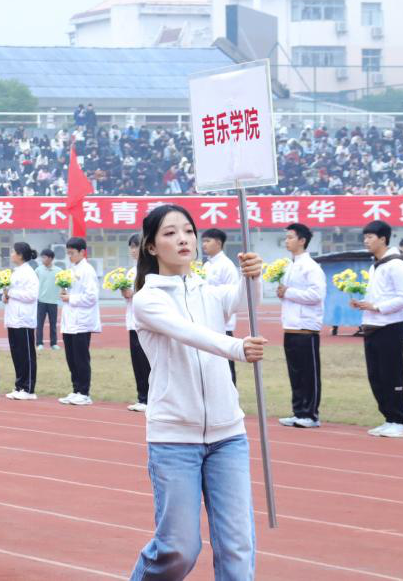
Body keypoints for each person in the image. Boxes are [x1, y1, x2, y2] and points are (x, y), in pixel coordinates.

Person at [129, 204, 264, 580]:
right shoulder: (148, 299)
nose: (183, 239)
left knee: (237, 546)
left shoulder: (209, 291)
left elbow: (245, 302)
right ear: (152, 246)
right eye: (170, 233)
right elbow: (189, 333)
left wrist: (252, 276)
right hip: (175, 438)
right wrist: (236, 347)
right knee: (178, 548)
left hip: (228, 435)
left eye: (188, 231)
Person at [349, 220, 403, 438]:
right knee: (377, 376)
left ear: (383, 239)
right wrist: (363, 304)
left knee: (391, 375)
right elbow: (380, 295)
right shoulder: (376, 265)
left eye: (370, 237)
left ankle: (400, 420)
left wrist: (376, 307)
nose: (366, 241)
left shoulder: (396, 264)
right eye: (364, 237)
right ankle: (389, 418)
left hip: (390, 327)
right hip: (372, 327)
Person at [277, 222, 325, 429]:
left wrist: (288, 292)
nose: (286, 241)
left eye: (290, 237)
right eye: (286, 237)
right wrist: (283, 293)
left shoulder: (311, 267)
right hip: (290, 327)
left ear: (302, 240)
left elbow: (316, 295)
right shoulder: (289, 266)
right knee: (295, 374)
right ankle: (298, 412)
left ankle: (311, 414)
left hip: (306, 328)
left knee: (308, 374)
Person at [58, 237, 99, 405]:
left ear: (82, 252)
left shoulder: (87, 271)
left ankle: (84, 392)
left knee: (81, 358)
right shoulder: (70, 269)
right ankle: (75, 390)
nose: (70, 256)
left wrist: (70, 298)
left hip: (81, 321)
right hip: (69, 320)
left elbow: (92, 297)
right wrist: (64, 292)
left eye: (72, 253)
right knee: (71, 357)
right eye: (68, 253)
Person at [201, 229, 241, 385]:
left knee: (226, 366)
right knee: (211, 365)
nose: (203, 245)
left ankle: (231, 396)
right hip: (207, 323)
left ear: (218, 243)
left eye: (207, 241)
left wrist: (225, 319)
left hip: (223, 325)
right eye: (203, 241)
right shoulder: (206, 265)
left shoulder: (227, 266)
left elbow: (233, 295)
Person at [2, 242, 38, 400]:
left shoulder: (29, 273)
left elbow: (32, 295)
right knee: (17, 355)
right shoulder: (15, 272)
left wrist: (11, 293)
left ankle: (28, 389)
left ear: (20, 255)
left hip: (24, 320)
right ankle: (19, 386)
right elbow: (11, 293)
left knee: (26, 355)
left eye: (13, 252)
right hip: (13, 319)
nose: (11, 254)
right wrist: (5, 296)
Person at [123, 235, 149, 412]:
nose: (133, 250)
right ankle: (142, 397)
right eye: (131, 247)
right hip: (132, 322)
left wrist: (134, 294)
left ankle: (151, 398)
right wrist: (125, 293)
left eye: (136, 246)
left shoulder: (150, 269)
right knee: (137, 362)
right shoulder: (131, 271)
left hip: (146, 324)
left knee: (147, 361)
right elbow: (129, 296)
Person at [34, 249, 60, 350]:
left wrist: (64, 291)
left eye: (44, 257)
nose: (42, 259)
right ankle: (39, 343)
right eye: (42, 257)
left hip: (53, 301)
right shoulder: (38, 270)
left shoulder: (59, 271)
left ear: (50, 258)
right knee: (39, 324)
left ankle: (53, 344)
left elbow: (64, 285)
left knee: (53, 324)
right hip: (41, 301)